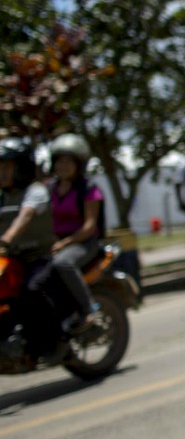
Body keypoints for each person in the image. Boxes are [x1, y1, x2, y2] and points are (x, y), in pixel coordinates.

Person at [0, 139, 61, 360]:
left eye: (7, 167)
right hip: (12, 259)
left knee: (32, 289)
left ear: (21, 167)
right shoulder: (3, 195)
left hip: (38, 257)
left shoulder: (36, 191)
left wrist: (5, 239)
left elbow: (24, 217)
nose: (2, 173)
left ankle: (52, 341)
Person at [46, 133, 102, 333]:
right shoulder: (49, 188)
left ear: (79, 164)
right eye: (60, 161)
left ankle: (88, 309)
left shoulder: (88, 188)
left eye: (69, 161)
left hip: (83, 242)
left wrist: (65, 243)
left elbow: (89, 226)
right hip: (55, 242)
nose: (63, 166)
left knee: (63, 263)